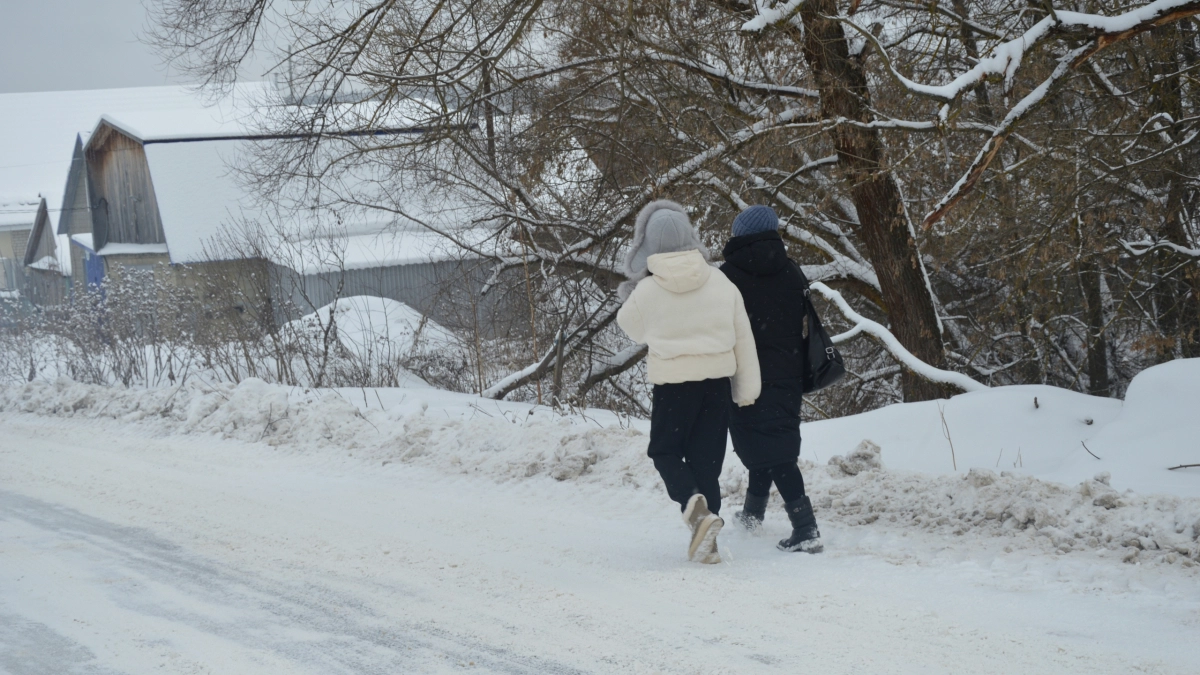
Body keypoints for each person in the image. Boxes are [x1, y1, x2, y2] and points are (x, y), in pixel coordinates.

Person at [616, 200, 761, 564]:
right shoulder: (721, 281)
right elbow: (743, 337)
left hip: (674, 388)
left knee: (664, 452)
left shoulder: (648, 291)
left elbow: (629, 328)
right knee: (706, 464)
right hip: (715, 387)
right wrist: (747, 389)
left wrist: (635, 294)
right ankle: (707, 544)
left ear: (647, 246)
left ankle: (694, 510)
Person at [719, 205, 823, 553]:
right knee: (773, 441)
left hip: (746, 373)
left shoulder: (727, 276)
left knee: (768, 448)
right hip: (788, 373)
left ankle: (806, 529)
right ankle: (753, 513)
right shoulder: (791, 271)